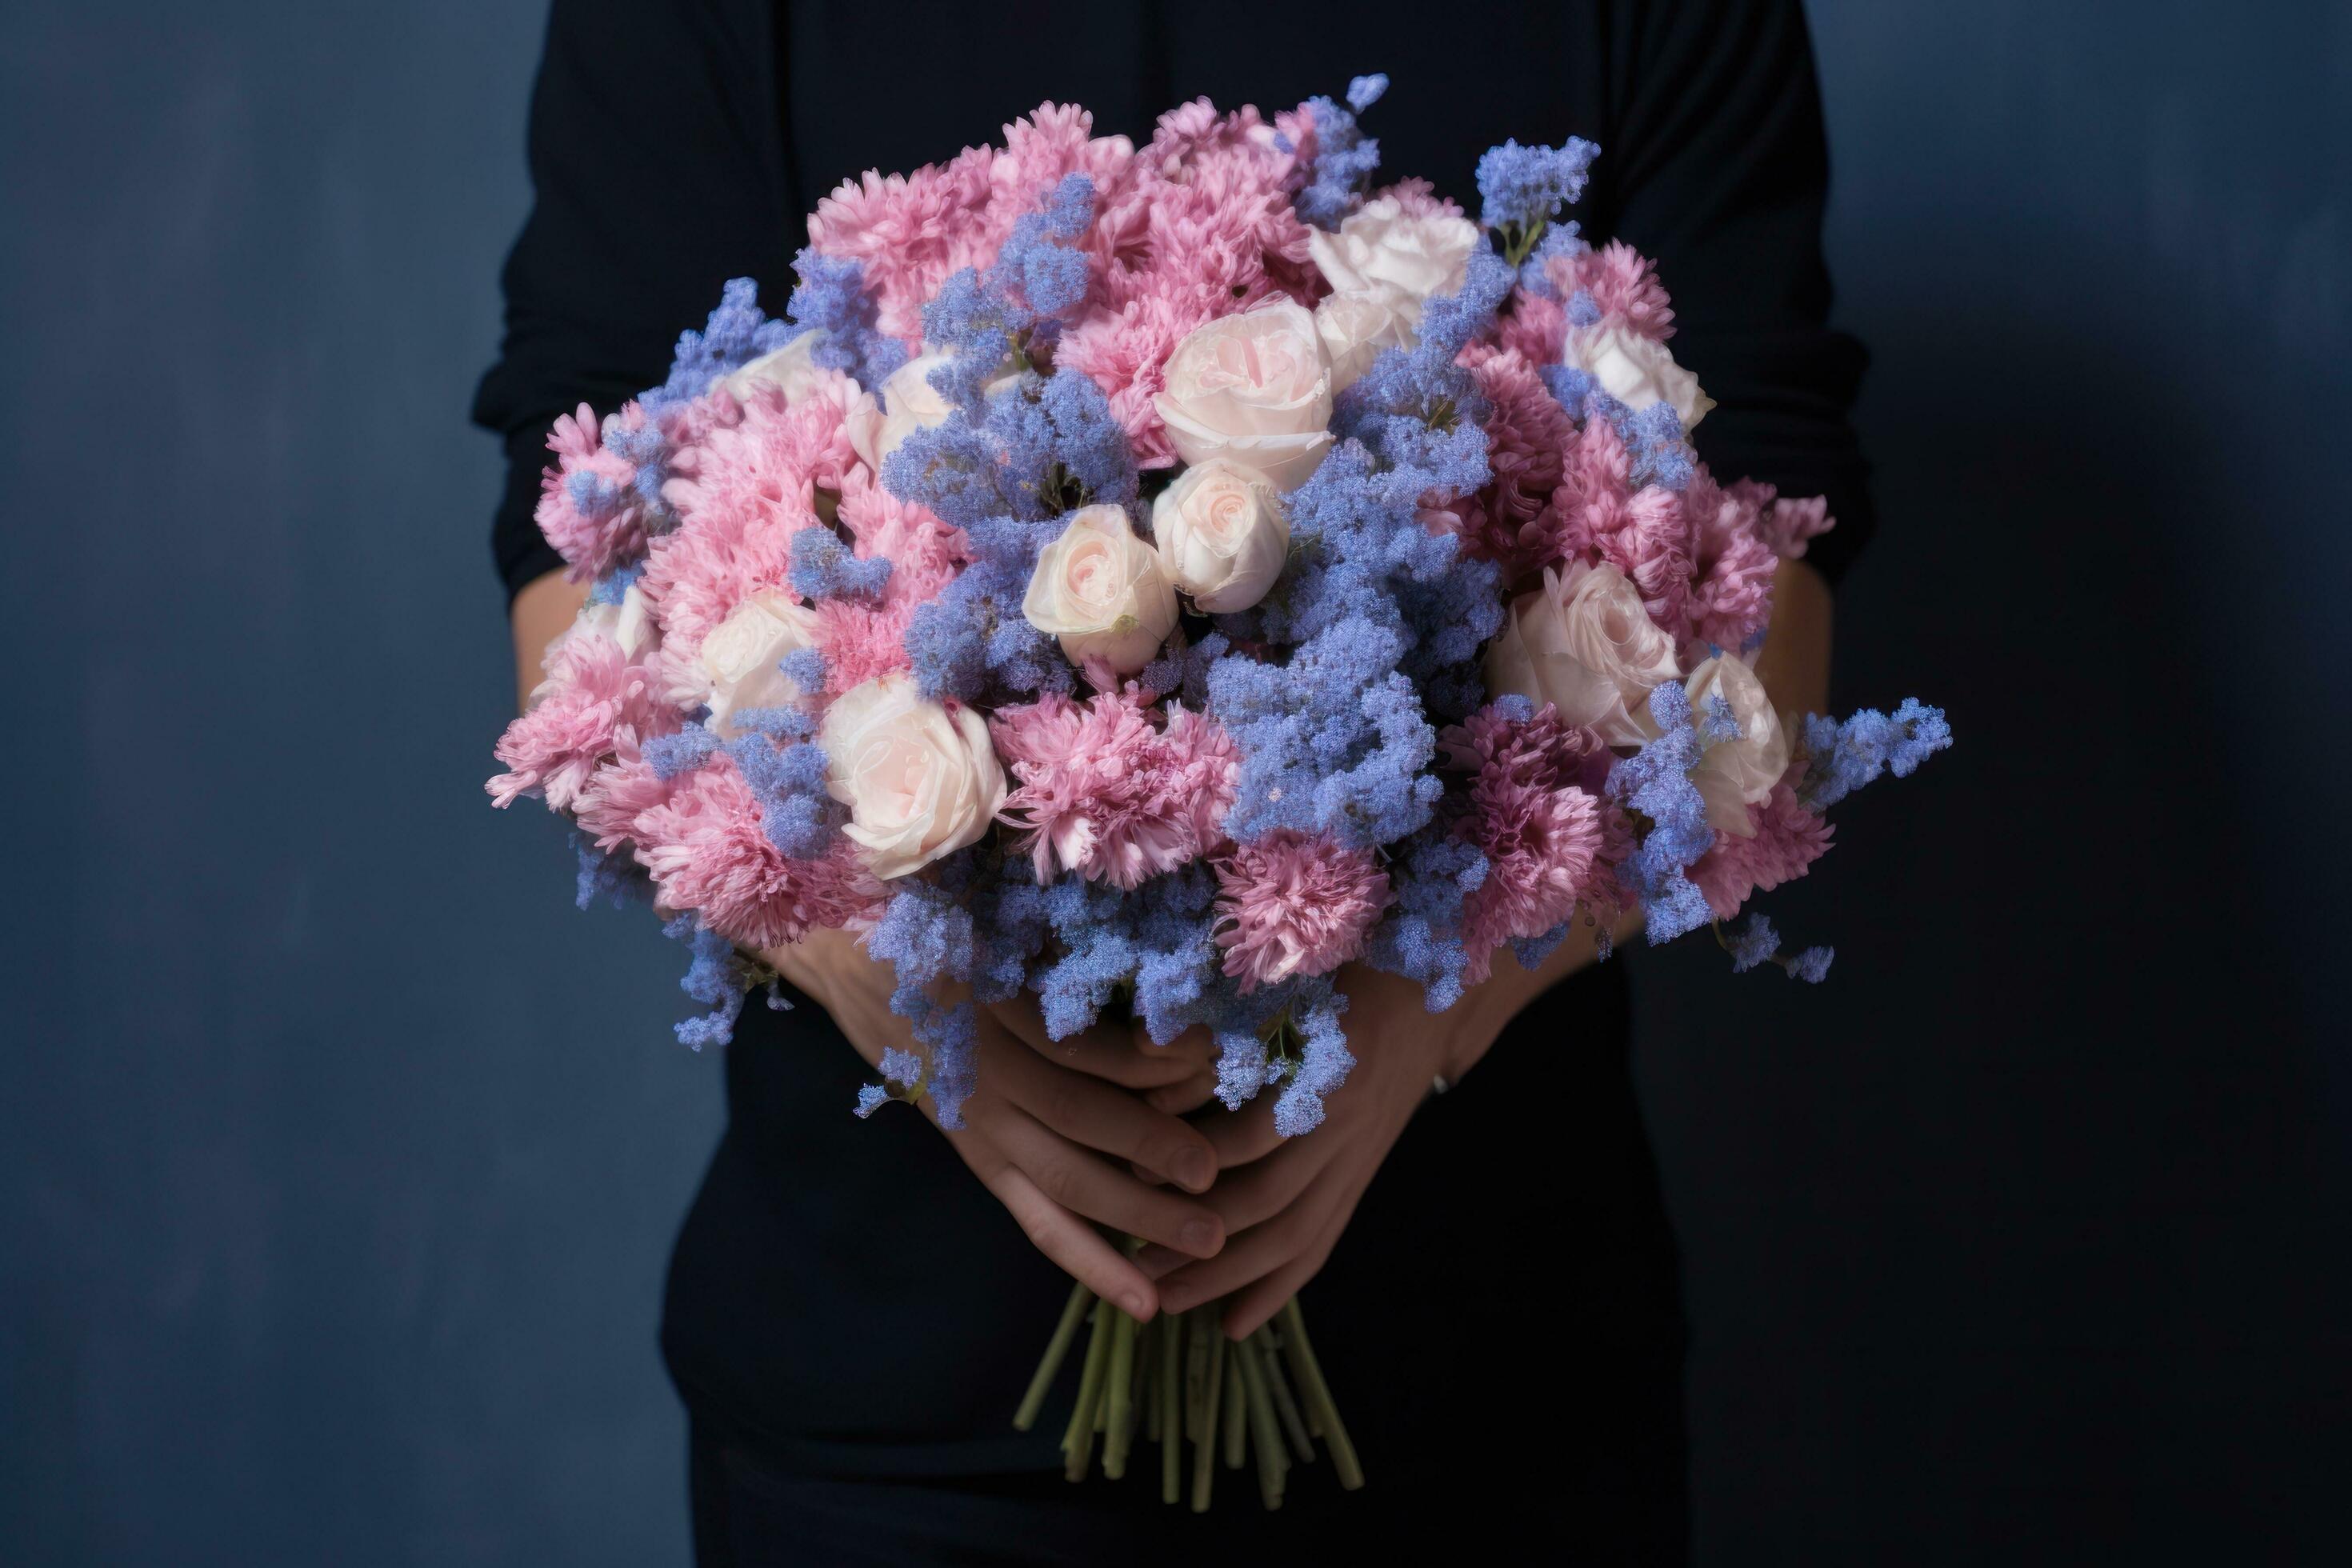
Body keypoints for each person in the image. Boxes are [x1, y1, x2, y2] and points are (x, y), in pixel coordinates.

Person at [476, 2, 1870, 1559]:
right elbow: (575, 563)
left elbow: (1770, 583)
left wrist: (1442, 997)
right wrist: (882, 970)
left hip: (1487, 1392)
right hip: (894, 1425)